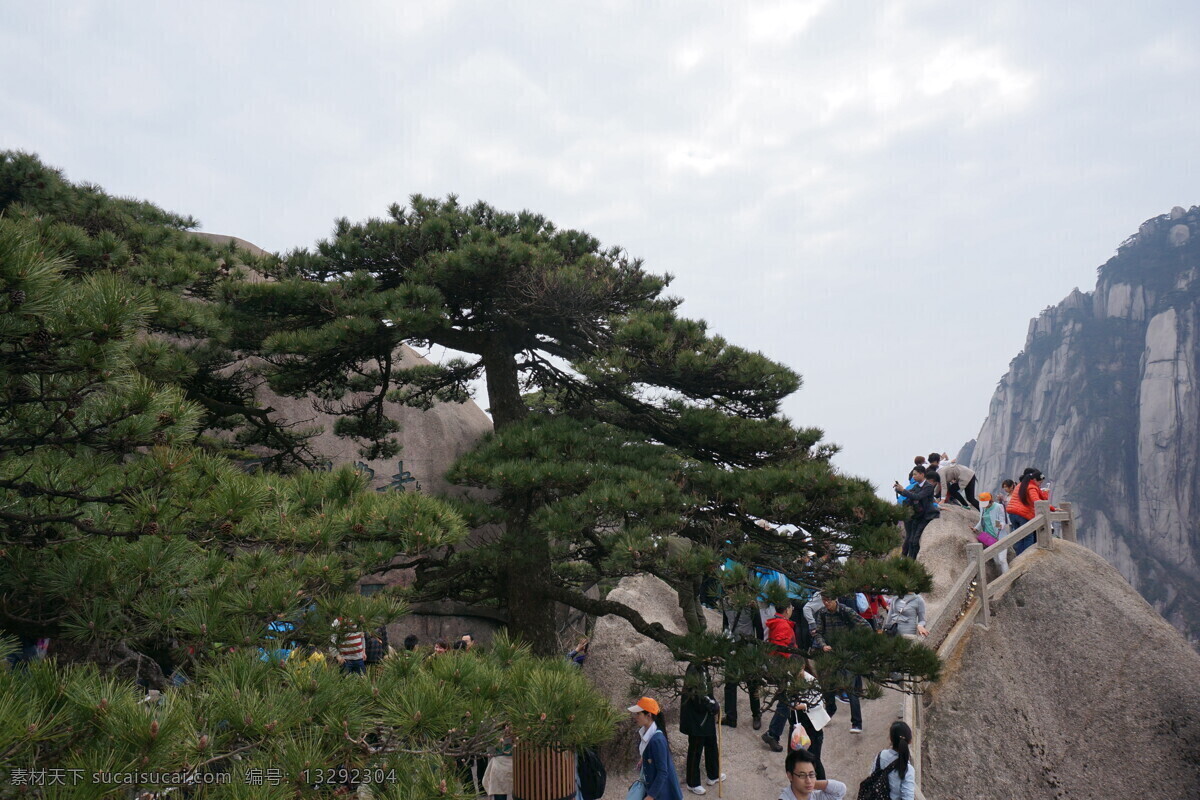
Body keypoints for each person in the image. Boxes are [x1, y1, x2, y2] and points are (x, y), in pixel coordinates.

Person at [811, 595, 871, 734]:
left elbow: (865, 626)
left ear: (835, 599)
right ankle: (830, 711)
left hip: (849, 655)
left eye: (829, 600)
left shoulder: (846, 611)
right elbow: (818, 633)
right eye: (824, 600)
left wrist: (856, 643)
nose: (826, 603)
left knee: (850, 689)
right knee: (827, 686)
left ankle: (857, 723)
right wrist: (823, 645)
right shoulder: (822, 613)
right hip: (831, 654)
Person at [680, 663, 725, 794]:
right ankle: (692, 782)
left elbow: (706, 691)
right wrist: (711, 705)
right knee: (695, 749)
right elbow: (697, 695)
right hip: (696, 718)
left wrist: (713, 703)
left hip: (706, 715)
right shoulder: (694, 669)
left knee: (711, 743)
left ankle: (714, 774)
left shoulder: (703, 666)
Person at [628, 696, 683, 800]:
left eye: (638, 714)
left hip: (662, 794)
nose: (636, 717)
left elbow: (662, 772)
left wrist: (650, 796)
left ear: (648, 715)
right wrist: (643, 758)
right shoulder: (647, 733)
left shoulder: (657, 740)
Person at [721, 597, 763, 730]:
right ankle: (731, 716)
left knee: (752, 681)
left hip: (748, 646)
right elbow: (725, 624)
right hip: (733, 646)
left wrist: (759, 650)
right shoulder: (725, 602)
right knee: (730, 682)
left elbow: (759, 629)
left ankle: (756, 713)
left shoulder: (750, 604)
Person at [762, 605, 800, 751]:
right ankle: (773, 733)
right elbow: (782, 649)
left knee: (786, 699)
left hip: (783, 667)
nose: (792, 610)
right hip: (786, 668)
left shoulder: (777, 622)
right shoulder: (783, 625)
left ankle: (774, 732)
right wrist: (792, 667)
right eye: (791, 607)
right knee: (785, 700)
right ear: (787, 609)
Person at [1006, 468, 1054, 556]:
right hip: (1022, 514)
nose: (1040, 484)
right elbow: (1037, 501)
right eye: (1040, 482)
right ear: (1034, 479)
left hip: (1012, 514)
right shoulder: (1031, 486)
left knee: (1019, 537)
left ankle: (1019, 558)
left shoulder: (1020, 484)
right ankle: (1027, 557)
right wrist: (1052, 508)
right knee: (1028, 536)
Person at [893, 467, 938, 560]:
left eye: (915, 474)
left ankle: (913, 560)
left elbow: (917, 496)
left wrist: (903, 490)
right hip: (917, 515)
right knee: (911, 540)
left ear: (922, 474)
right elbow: (910, 494)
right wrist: (899, 490)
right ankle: (909, 561)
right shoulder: (917, 486)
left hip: (926, 516)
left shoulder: (928, 486)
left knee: (915, 540)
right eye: (913, 474)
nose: (913, 477)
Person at [780, 749, 846, 800]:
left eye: (811, 775)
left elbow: (840, 790)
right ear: (790, 776)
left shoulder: (815, 796)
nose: (808, 780)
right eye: (802, 775)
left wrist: (812, 784)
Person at [873, 721, 916, 800]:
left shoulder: (881, 755)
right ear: (910, 741)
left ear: (891, 738)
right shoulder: (908, 769)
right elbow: (908, 797)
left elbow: (873, 776)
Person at [974, 492, 1009, 574]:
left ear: (990, 501)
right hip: (989, 538)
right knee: (996, 561)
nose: (984, 505)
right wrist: (976, 528)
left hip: (1000, 536)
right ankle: (1000, 577)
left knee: (1002, 559)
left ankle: (1007, 578)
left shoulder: (998, 507)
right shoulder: (982, 507)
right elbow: (981, 520)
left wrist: (1000, 525)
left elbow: (1002, 520)